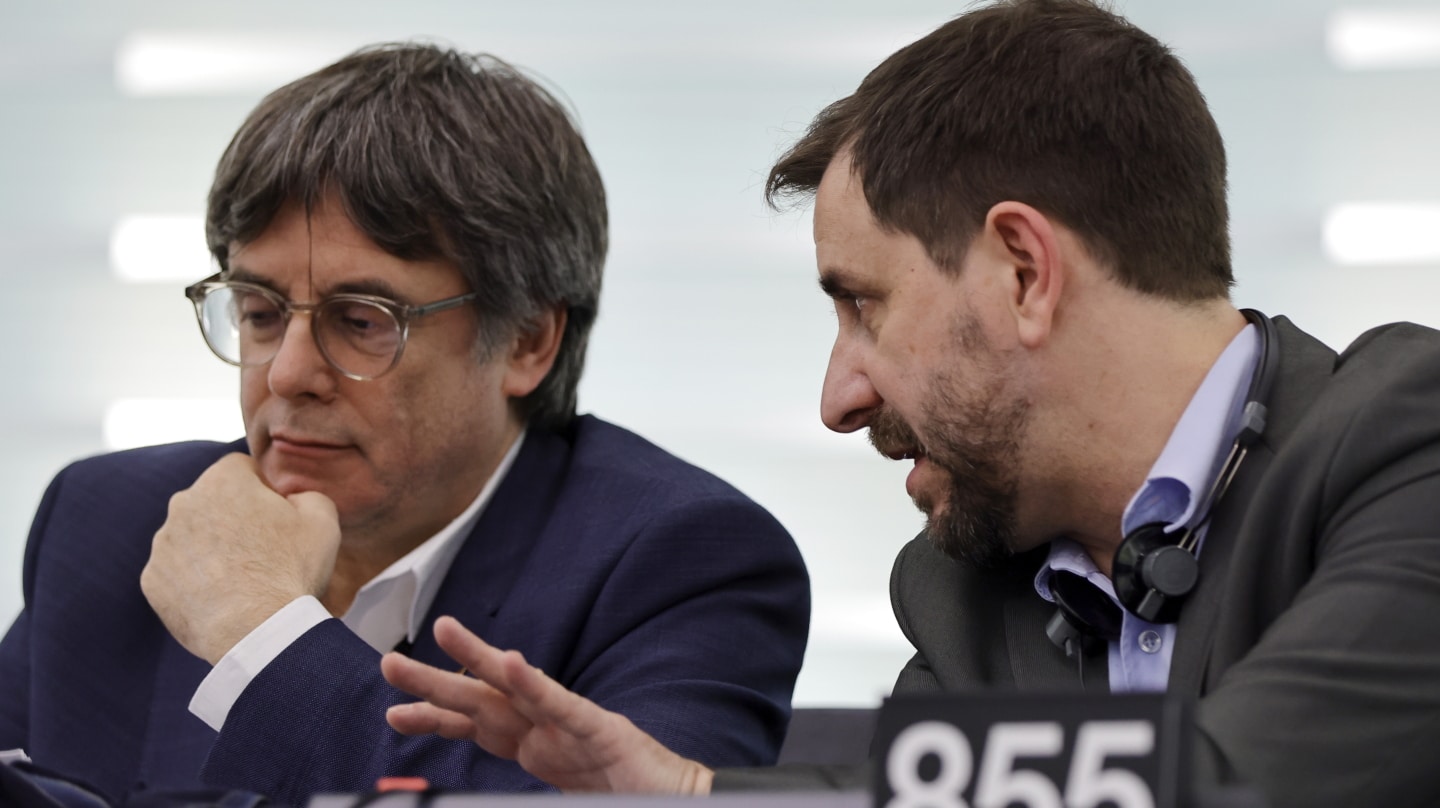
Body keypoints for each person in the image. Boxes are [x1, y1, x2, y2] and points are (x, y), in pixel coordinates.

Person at [377, 2, 1440, 806]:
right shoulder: (962, 586)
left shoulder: (1408, 447)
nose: (838, 398)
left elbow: (1239, 782)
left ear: (1023, 271)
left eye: (862, 305)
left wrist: (708, 799)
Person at [0, 43, 811, 806]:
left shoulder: (684, 565)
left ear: (528, 339)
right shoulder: (111, 521)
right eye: (259, 311)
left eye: (361, 320)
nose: (286, 374)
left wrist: (263, 632)